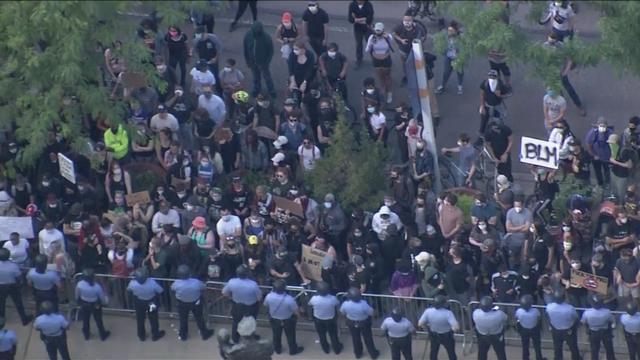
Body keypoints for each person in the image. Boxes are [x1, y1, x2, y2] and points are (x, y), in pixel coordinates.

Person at [171, 265, 213, 341]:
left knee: (183, 320)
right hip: (195, 303)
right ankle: (204, 334)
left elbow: (172, 288)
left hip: (182, 304)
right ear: (189, 273)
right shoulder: (196, 282)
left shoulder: (176, 283)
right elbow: (203, 287)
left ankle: (183, 335)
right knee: (199, 319)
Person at [263, 279, 304, 355]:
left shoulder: (269, 296)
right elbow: (296, 312)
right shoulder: (289, 299)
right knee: (291, 336)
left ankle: (277, 349)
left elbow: (266, 305)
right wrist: (299, 317)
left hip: (274, 319)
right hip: (288, 320)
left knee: (276, 335)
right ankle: (293, 350)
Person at [222, 265, 262, 343]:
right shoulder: (253, 284)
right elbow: (259, 297)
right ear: (247, 274)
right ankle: (251, 338)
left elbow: (224, 292)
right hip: (251, 307)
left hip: (237, 305)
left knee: (236, 321)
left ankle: (235, 338)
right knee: (251, 322)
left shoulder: (232, 282)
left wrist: (231, 298)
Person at [127, 267, 166, 342]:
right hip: (151, 302)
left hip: (139, 302)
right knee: (153, 318)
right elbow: (160, 290)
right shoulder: (152, 283)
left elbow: (129, 290)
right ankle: (155, 335)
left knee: (140, 319)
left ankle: (141, 336)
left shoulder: (132, 283)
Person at [340, 287, 380, 359]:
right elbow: (371, 313)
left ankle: (358, 354)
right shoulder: (363, 304)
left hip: (351, 322)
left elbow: (342, 312)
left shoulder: (346, 304)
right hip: (364, 323)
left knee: (355, 339)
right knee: (368, 339)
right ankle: (373, 354)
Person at [418, 295, 459, 360]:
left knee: (433, 353)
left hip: (434, 335)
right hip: (447, 336)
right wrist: (452, 331)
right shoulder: (448, 313)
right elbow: (456, 327)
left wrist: (426, 328)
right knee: (451, 353)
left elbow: (420, 324)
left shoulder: (428, 311)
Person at [546, 288, 581, 360]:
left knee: (557, 347)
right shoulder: (570, 308)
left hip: (555, 329)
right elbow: (575, 318)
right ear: (564, 298)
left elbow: (547, 316)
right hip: (568, 330)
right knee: (573, 347)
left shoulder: (549, 307)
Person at [75, 268, 110, 341]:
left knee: (85, 320)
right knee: (98, 320)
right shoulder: (97, 287)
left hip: (84, 304)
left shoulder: (80, 284)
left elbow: (77, 295)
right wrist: (104, 303)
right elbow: (101, 297)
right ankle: (102, 335)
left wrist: (78, 302)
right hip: (95, 305)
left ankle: (86, 335)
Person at [308, 281, 343, 354]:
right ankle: (337, 349)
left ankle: (326, 349)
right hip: (331, 320)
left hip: (318, 319)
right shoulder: (333, 298)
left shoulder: (314, 299)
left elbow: (310, 304)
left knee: (322, 335)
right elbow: (337, 304)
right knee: (333, 335)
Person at [0, 248, 32, 326]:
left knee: (1, 303)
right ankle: (24, 319)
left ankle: (2, 318)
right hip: (12, 285)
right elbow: (19, 277)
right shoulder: (13, 266)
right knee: (18, 303)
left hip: (1, 286)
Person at [244, 21, 276, 98]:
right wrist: (248, 61)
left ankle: (271, 91)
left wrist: (266, 62)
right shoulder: (248, 36)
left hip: (263, 63)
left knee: (267, 77)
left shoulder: (266, 37)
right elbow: (245, 49)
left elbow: (270, 51)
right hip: (252, 62)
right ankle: (256, 90)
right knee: (255, 77)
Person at [393, 12, 426, 85]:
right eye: (405, 20)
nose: (407, 22)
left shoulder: (418, 27)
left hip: (416, 51)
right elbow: (394, 34)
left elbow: (423, 37)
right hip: (404, 50)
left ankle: (418, 77)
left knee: (417, 63)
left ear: (412, 20)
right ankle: (407, 76)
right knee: (405, 64)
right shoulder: (399, 26)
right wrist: (401, 40)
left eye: (409, 20)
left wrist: (417, 42)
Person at [365, 22, 394, 104]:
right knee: (380, 77)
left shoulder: (388, 37)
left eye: (379, 31)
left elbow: (391, 43)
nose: (378, 33)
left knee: (387, 77)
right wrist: (371, 43)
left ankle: (389, 93)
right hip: (376, 60)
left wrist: (387, 37)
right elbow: (367, 50)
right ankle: (383, 90)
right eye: (376, 31)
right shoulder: (372, 37)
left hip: (386, 59)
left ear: (383, 30)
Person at [581, 294, 615, 360]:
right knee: (609, 348)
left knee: (594, 349)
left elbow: (583, 322)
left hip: (593, 332)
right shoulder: (607, 312)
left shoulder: (587, 312)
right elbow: (611, 321)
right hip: (605, 332)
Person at [472, 296, 507, 360]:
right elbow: (505, 318)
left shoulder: (476, 313)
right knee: (501, 353)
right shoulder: (498, 314)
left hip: (482, 335)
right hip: (497, 336)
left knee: (482, 353)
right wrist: (495, 310)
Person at [436, 21, 464, 95]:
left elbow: (464, 47)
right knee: (446, 72)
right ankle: (443, 85)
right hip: (448, 57)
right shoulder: (446, 37)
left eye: (451, 31)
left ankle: (460, 86)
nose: (449, 32)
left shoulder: (460, 37)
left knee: (459, 72)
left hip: (458, 58)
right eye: (448, 30)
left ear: (455, 31)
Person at [515, 294, 544, 360]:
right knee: (537, 345)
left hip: (524, 329)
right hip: (534, 329)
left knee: (525, 345)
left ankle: (525, 358)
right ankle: (539, 358)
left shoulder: (519, 311)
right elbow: (539, 319)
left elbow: (517, 318)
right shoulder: (535, 311)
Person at [479, 70, 507, 135]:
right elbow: (482, 95)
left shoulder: (500, 84)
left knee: (498, 120)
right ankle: (481, 136)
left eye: (494, 77)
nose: (492, 78)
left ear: (497, 77)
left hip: (497, 105)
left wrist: (499, 95)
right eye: (490, 76)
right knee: (484, 121)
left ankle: (498, 134)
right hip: (487, 105)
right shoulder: (485, 83)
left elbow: (506, 94)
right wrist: (482, 106)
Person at [348, 0, 374, 67]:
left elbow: (369, 19)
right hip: (357, 29)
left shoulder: (369, 5)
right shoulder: (352, 5)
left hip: (367, 28)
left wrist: (356, 19)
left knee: (370, 43)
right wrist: (363, 19)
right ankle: (359, 60)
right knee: (358, 44)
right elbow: (350, 19)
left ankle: (375, 59)